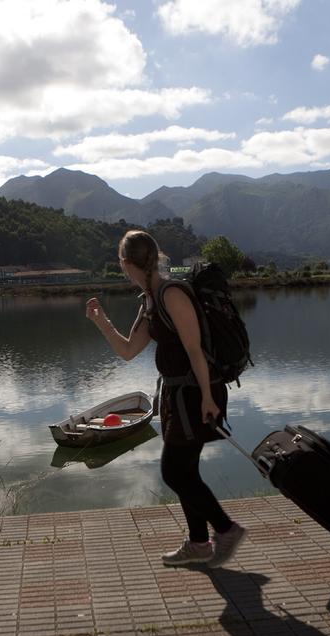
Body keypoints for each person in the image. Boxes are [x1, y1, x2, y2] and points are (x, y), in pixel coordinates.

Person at [85, 230, 246, 567]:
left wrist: (207, 398)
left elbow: (195, 350)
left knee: (174, 472)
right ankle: (200, 544)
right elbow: (129, 351)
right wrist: (102, 323)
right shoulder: (150, 298)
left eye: (122, 265)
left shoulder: (172, 294)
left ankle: (226, 529)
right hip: (176, 393)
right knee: (185, 470)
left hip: (195, 393)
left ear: (127, 263)